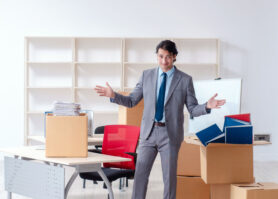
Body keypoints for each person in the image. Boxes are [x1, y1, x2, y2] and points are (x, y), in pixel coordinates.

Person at [94, 40, 226, 199]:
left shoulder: (184, 80)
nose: (164, 61)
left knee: (169, 179)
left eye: (168, 57)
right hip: (148, 134)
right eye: (161, 56)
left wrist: (206, 106)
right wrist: (114, 95)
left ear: (174, 56)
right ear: (157, 56)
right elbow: (131, 101)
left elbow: (192, 108)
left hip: (169, 136)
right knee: (140, 176)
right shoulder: (146, 75)